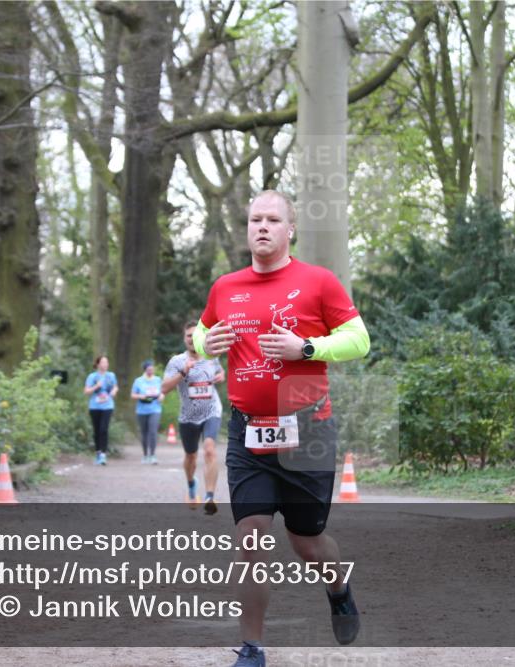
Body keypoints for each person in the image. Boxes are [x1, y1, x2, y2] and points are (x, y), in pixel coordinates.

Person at [193, 190, 371, 666]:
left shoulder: (318, 281)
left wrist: (306, 349)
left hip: (306, 429)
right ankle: (252, 649)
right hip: (248, 432)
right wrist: (205, 340)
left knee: (306, 541)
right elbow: (200, 330)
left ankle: (338, 588)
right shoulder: (225, 287)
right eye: (255, 219)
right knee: (250, 540)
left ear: (291, 229)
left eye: (273, 219)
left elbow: (359, 340)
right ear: (247, 228)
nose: (263, 227)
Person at [162, 320, 225, 515]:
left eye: (194, 335)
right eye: (188, 336)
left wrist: (221, 375)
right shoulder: (177, 361)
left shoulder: (211, 357)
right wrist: (183, 372)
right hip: (188, 416)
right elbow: (164, 388)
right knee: (191, 456)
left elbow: (219, 371)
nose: (191, 339)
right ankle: (191, 485)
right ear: (184, 339)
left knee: (209, 449)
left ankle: (209, 496)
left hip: (211, 410)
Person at [83, 355, 118, 465]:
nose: (105, 365)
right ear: (98, 364)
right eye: (103, 362)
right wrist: (96, 386)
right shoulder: (92, 376)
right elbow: (86, 391)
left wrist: (114, 391)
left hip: (108, 406)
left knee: (104, 429)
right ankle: (98, 452)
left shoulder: (111, 376)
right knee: (96, 431)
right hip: (95, 406)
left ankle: (103, 454)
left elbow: (115, 387)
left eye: (106, 362)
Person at [131, 360, 163, 464]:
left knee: (153, 432)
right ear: (145, 369)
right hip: (142, 410)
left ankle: (153, 455)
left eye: (152, 368)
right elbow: (133, 395)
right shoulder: (138, 381)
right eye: (149, 369)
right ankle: (145, 455)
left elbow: (163, 392)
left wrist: (161, 396)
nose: (151, 370)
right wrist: (141, 396)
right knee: (144, 433)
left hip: (155, 409)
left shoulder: (158, 380)